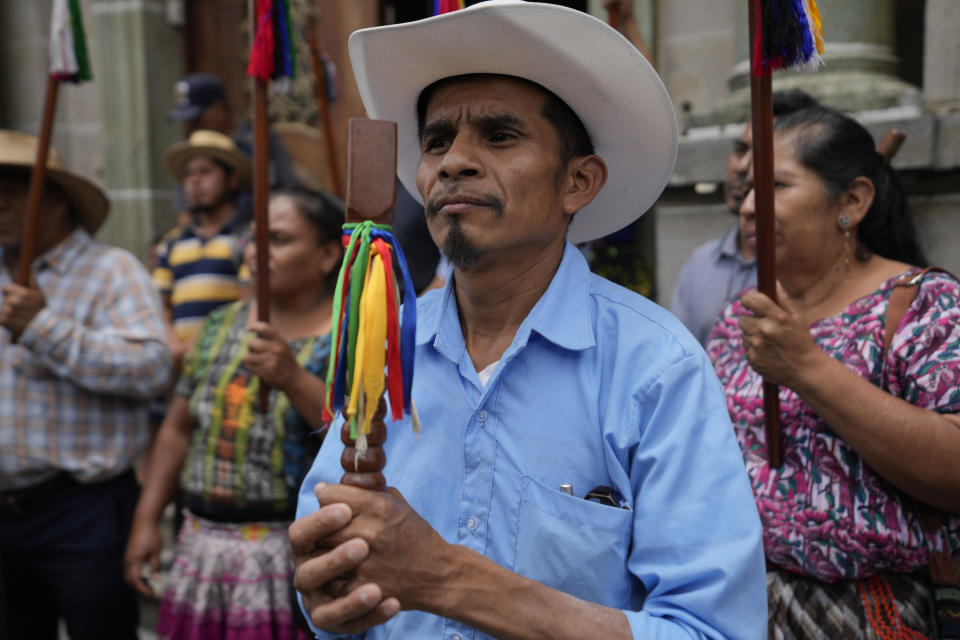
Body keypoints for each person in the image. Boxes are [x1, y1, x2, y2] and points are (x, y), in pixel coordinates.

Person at [290, 3, 766, 639]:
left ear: (578, 182)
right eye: (436, 141)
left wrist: (443, 577)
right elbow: (327, 560)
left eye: (499, 136)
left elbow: (715, 631)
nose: (453, 161)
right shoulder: (381, 345)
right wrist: (333, 595)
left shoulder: (655, 369)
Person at [706, 105, 960, 638]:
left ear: (852, 201)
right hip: (748, 605)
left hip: (880, 613)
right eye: (750, 188)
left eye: (776, 186)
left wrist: (807, 367)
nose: (750, 208)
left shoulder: (925, 306)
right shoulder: (742, 318)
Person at [124, 188, 344, 639]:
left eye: (279, 240)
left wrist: (292, 377)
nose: (259, 252)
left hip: (294, 552)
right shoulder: (219, 324)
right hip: (202, 541)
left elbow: (358, 440)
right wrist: (147, 521)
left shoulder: (348, 335)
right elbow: (178, 429)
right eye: (254, 238)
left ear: (325, 256)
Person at [0, 130, 172, 639]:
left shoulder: (111, 270)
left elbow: (153, 369)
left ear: (58, 200)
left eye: (13, 186)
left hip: (83, 510)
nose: (0, 201)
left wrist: (43, 328)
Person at [671, 90, 818, 345]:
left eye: (764, 152)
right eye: (740, 150)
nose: (743, 166)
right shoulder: (701, 263)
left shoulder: (811, 269)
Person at [155, 129, 253, 365]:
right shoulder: (172, 243)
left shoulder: (247, 239)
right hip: (179, 363)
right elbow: (160, 307)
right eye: (188, 174)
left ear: (232, 179)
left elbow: (247, 306)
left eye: (205, 172)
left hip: (227, 358)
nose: (195, 180)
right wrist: (175, 349)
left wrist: (193, 346)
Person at [168, 72, 298, 194]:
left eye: (197, 118)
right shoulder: (190, 149)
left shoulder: (260, 140)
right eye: (187, 121)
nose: (191, 126)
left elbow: (287, 188)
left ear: (218, 108)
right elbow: (184, 208)